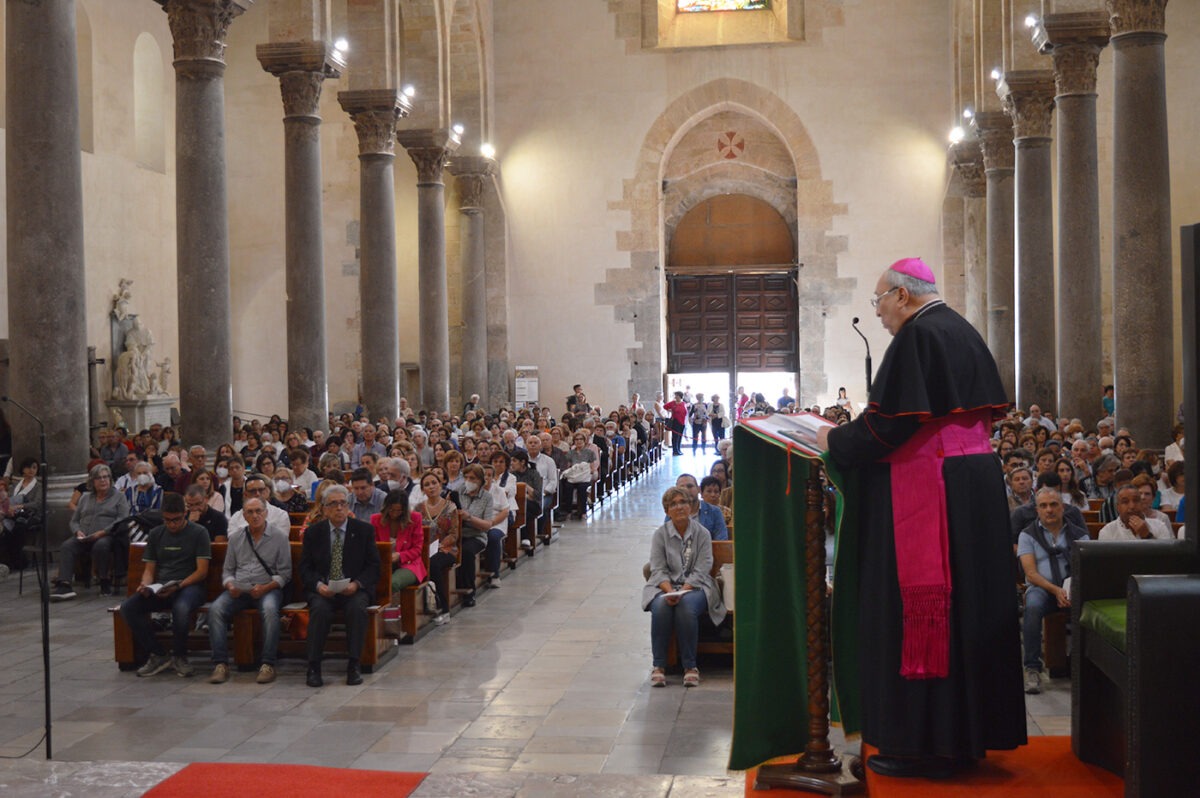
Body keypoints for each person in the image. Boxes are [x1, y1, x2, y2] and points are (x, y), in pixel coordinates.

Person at [817, 258, 1026, 777]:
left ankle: (920, 744)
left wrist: (832, 440)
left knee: (916, 609)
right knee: (968, 608)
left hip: (931, 490)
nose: (880, 312)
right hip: (971, 486)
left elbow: (889, 426)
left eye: (880, 300)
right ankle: (962, 737)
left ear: (903, 295)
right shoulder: (962, 330)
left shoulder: (917, 336)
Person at [118, 492, 211, 678]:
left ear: (184, 513)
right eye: (168, 520)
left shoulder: (199, 532)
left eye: (176, 519)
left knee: (181, 608)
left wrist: (179, 585)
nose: (172, 524)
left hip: (190, 586)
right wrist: (145, 585)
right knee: (128, 607)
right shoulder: (156, 534)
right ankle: (159, 654)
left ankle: (180, 656)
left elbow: (202, 571)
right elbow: (149, 568)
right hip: (162, 587)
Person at [642, 486, 726, 688]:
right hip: (665, 586)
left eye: (683, 502)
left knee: (686, 607)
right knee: (661, 607)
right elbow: (657, 568)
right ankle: (659, 665)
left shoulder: (702, 534)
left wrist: (684, 589)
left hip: (696, 586)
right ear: (666, 510)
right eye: (673, 504)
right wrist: (670, 591)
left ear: (691, 507)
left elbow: (703, 567)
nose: (679, 507)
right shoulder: (660, 535)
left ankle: (690, 666)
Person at [300, 485, 381, 687]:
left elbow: (374, 566)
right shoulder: (314, 533)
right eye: (333, 504)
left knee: (356, 608)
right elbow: (305, 568)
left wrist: (356, 584)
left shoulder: (363, 530)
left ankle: (354, 664)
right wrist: (318, 586)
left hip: (353, 588)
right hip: (324, 589)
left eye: (343, 503)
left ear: (348, 506)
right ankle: (314, 666)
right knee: (319, 609)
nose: (339, 508)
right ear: (325, 508)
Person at [208, 497, 291, 685]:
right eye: (250, 512)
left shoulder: (279, 537)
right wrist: (230, 585)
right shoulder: (236, 538)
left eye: (258, 511)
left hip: (268, 588)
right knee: (215, 610)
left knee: (270, 610)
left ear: (266, 512)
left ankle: (268, 664)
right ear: (244, 515)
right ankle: (220, 663)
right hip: (240, 588)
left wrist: (266, 587)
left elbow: (285, 574)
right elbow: (228, 570)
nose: (255, 516)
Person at [1016, 488, 1088, 694]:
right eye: (1043, 506)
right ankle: (1032, 668)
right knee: (1032, 608)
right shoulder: (1027, 535)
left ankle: (1080, 664)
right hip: (1042, 588)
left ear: (1062, 507)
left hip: (1072, 587)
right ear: (1037, 509)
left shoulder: (1078, 533)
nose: (1049, 510)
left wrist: (1069, 589)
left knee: (1088, 606)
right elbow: (1030, 573)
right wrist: (1056, 590)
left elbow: (1086, 567)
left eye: (1054, 505)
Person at [52, 464, 131, 600]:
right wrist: (77, 532)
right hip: (84, 535)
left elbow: (122, 519)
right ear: (92, 481)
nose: (103, 480)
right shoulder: (85, 498)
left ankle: (104, 580)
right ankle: (64, 584)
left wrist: (103, 532)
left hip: (107, 535)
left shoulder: (119, 497)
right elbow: (74, 520)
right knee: (67, 546)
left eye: (106, 477)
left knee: (101, 545)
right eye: (99, 478)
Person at [414, 472, 459, 624]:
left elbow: (454, 534)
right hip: (424, 549)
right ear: (422, 489)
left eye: (434, 483)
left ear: (440, 485)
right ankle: (420, 607)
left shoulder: (450, 506)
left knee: (433, 563)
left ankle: (443, 608)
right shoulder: (418, 508)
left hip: (445, 549)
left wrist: (441, 545)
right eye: (427, 485)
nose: (431, 487)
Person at [371, 489, 426, 595]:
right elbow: (373, 545)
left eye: (399, 511)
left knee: (393, 583)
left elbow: (418, 549)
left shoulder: (415, 518)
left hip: (409, 564)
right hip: (384, 563)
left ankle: (391, 609)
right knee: (371, 581)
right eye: (391, 510)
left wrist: (400, 556)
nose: (395, 514)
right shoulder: (376, 519)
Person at [1098, 485, 1174, 541]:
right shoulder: (1107, 532)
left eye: (1136, 500)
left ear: (1141, 503)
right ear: (1118, 507)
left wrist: (1147, 535)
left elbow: (1165, 559)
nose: (1132, 506)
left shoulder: (1160, 526)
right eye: (1125, 502)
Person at [663, 391, 688, 456]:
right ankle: (675, 450)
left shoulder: (683, 403)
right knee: (675, 437)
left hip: (682, 422)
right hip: (675, 421)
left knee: (680, 436)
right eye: (675, 395)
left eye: (677, 395)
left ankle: (678, 449)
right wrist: (670, 410)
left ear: (680, 396)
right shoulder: (673, 403)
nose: (676, 397)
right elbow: (665, 406)